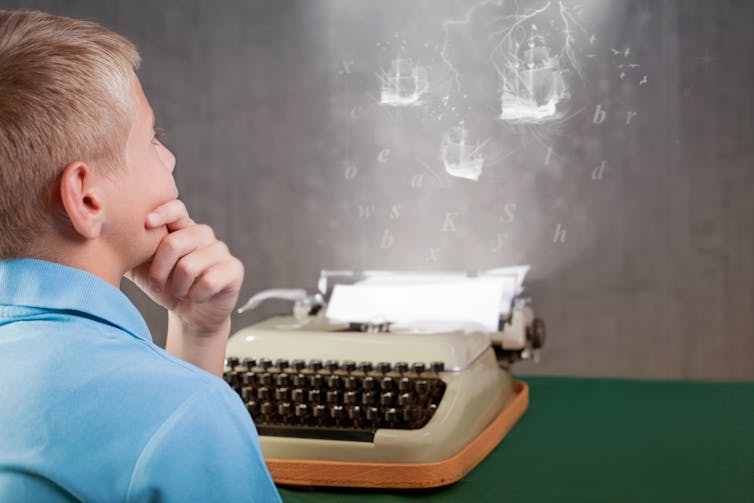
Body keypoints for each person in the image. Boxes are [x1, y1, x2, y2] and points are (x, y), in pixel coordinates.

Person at [0, 10, 280, 502]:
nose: (169, 159)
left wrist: (199, 332)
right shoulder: (188, 414)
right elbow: (167, 427)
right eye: (153, 140)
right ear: (86, 199)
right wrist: (195, 399)